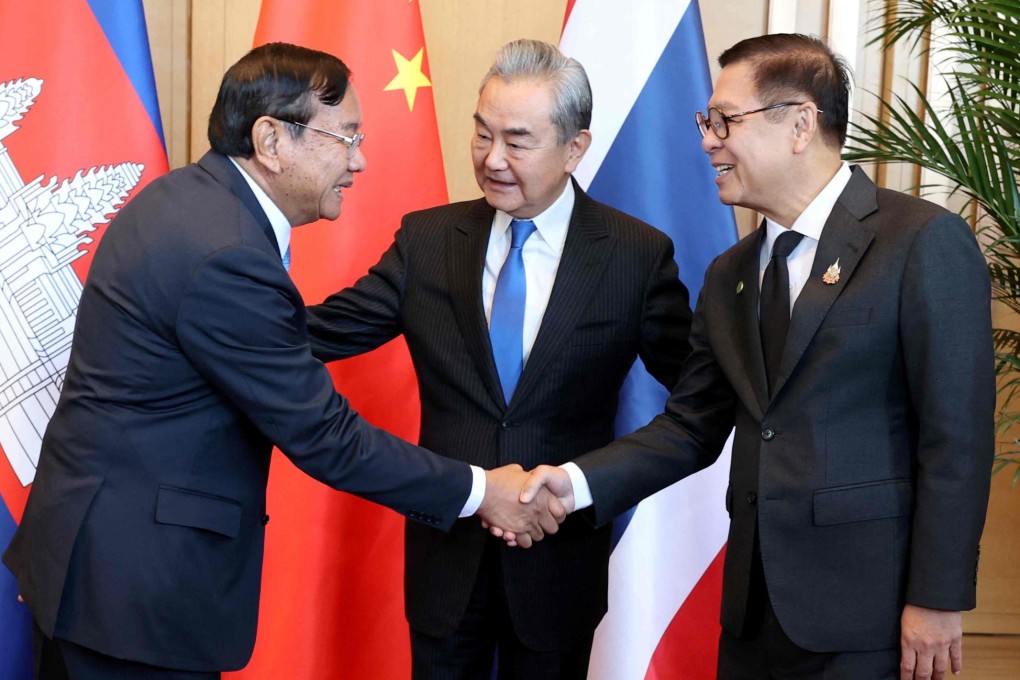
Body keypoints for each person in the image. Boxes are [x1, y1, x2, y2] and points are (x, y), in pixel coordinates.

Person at [3, 42, 563, 680]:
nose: (359, 160)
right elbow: (326, 438)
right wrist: (481, 490)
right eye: (345, 137)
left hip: (96, 565)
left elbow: (259, 346)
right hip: (134, 597)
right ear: (271, 140)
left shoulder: (186, 199)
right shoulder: (226, 252)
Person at [515, 33, 994, 680]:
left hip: (869, 615)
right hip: (752, 613)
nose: (708, 141)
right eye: (705, 122)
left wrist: (937, 598)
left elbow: (956, 438)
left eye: (725, 121)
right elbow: (691, 426)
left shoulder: (920, 242)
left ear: (800, 125)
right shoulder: (730, 273)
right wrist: (573, 483)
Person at [305, 39, 692, 680]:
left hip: (558, 560)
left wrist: (587, 483)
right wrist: (212, 304)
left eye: (518, 141)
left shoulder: (635, 255)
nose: (492, 159)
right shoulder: (428, 239)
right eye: (482, 134)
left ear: (575, 148)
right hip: (447, 559)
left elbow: (698, 400)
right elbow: (320, 331)